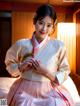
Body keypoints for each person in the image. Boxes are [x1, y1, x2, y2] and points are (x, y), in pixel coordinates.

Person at [5, 4, 75, 106]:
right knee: (20, 103)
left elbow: (65, 70)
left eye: (48, 25)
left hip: (49, 90)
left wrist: (45, 71)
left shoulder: (59, 46)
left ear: (53, 26)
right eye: (41, 23)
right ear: (34, 21)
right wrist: (20, 66)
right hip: (24, 90)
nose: (44, 28)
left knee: (56, 103)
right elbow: (9, 63)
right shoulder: (21, 44)